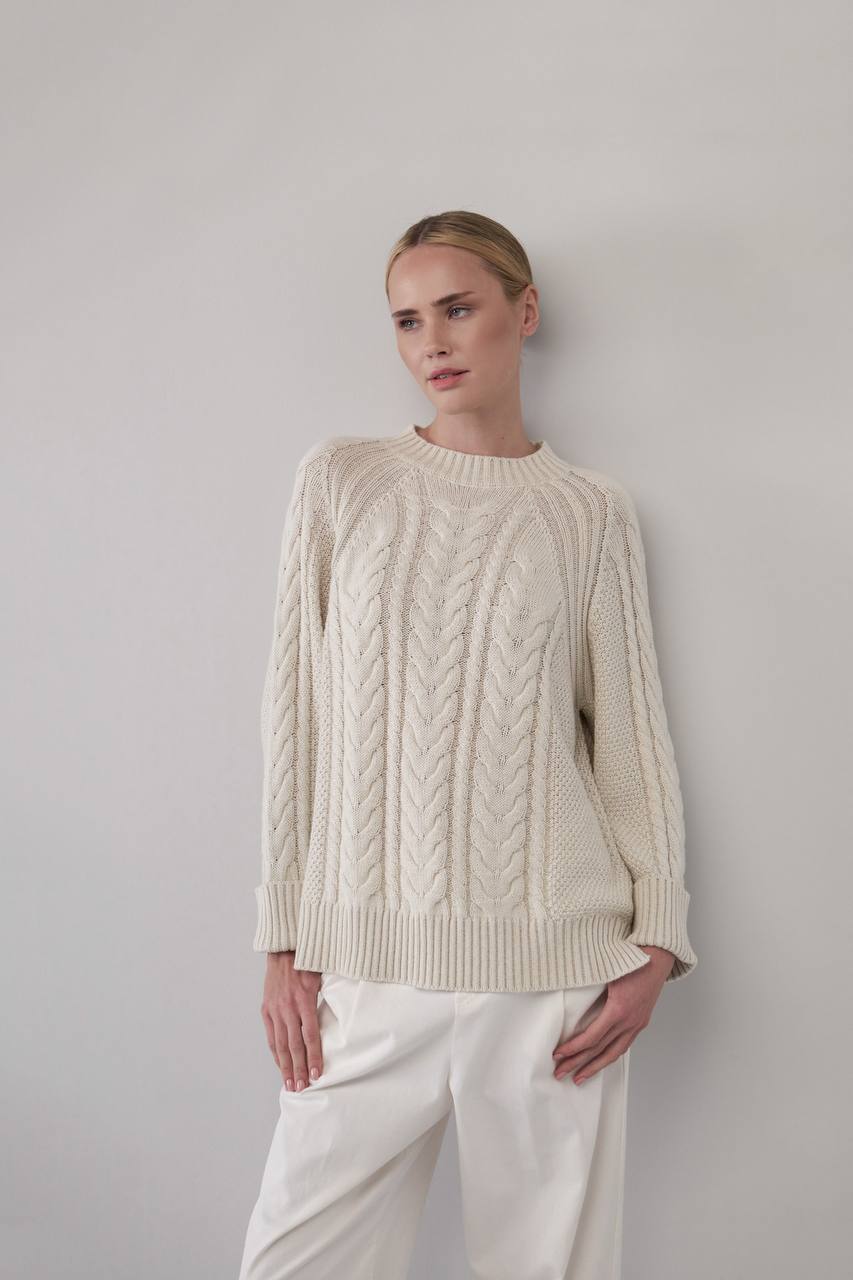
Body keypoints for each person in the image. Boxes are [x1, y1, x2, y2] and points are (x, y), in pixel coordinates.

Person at [237, 210, 698, 1280]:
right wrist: (283, 939)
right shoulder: (343, 480)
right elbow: (294, 714)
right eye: (408, 320)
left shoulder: (588, 513)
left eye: (457, 309)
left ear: (522, 312)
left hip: (551, 975)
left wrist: (657, 938)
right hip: (366, 963)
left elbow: (630, 739)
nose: (432, 342)